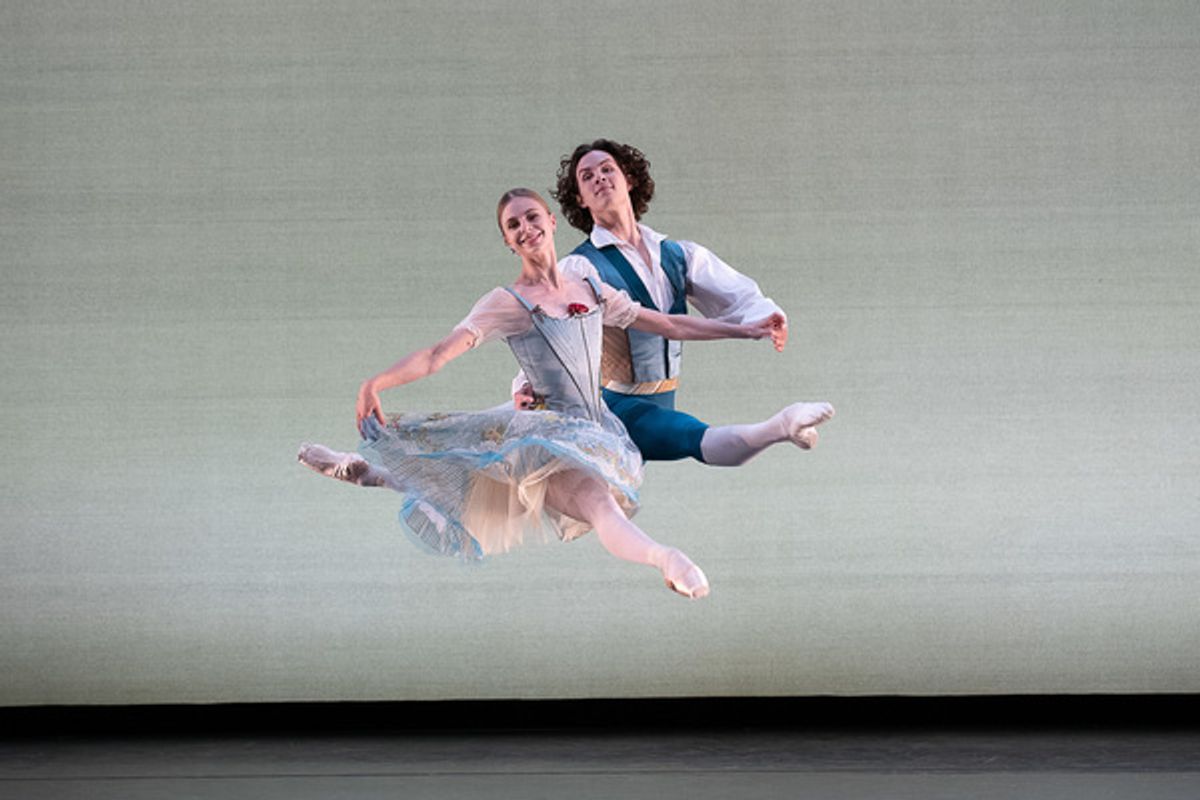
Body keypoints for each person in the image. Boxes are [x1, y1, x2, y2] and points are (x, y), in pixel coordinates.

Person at [298, 189, 790, 599]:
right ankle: (668, 558)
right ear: (509, 242)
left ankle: (371, 475)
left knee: (480, 483)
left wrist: (744, 329)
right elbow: (437, 354)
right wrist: (373, 383)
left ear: (551, 223)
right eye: (513, 226)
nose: (525, 228)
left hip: (598, 427)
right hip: (545, 436)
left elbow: (666, 324)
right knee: (594, 506)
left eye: (532, 217)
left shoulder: (589, 282)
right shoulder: (507, 303)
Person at [514, 139, 833, 466]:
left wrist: (767, 317)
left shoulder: (678, 254)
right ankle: (781, 426)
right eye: (587, 176)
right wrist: (526, 384)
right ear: (579, 199)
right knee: (697, 440)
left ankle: (782, 429)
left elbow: (737, 294)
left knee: (610, 506)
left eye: (608, 169)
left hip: (665, 398)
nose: (600, 177)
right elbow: (548, 335)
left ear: (629, 179)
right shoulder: (580, 268)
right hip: (617, 408)